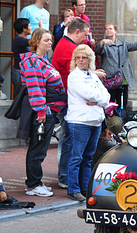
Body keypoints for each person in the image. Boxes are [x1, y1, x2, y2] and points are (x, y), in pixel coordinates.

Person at [20, 28, 66, 197]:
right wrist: (41, 112)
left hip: (49, 110)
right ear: (36, 41)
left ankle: (35, 182)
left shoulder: (42, 60)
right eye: (46, 40)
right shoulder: (33, 62)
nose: (50, 43)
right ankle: (33, 184)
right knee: (37, 148)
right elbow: (35, 89)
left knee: (40, 148)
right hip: (43, 112)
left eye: (51, 40)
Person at [52, 17, 96, 189]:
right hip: (69, 102)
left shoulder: (67, 46)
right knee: (69, 141)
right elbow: (75, 74)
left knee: (71, 142)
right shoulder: (67, 47)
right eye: (84, 35)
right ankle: (65, 177)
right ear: (77, 32)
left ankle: (71, 178)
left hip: (72, 101)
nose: (86, 38)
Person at [65, 45, 110, 202]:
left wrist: (98, 101)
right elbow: (89, 95)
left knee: (89, 157)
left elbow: (106, 95)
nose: (81, 60)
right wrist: (99, 100)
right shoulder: (74, 76)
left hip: (95, 121)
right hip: (80, 121)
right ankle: (73, 189)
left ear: (90, 60)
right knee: (76, 157)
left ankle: (85, 188)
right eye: (78, 57)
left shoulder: (93, 75)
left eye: (84, 57)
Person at [94, 22, 137, 107]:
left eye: (110, 29)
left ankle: (122, 118)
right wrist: (102, 42)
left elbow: (133, 45)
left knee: (122, 102)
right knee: (110, 102)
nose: (108, 31)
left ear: (115, 31)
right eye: (106, 29)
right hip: (110, 79)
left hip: (122, 78)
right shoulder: (104, 45)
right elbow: (97, 50)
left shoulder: (123, 43)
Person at [12, 17, 31, 97]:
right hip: (19, 72)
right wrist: (40, 30)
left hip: (25, 71)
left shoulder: (25, 39)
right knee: (19, 95)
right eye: (29, 26)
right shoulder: (18, 39)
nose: (31, 28)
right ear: (24, 29)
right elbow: (34, 42)